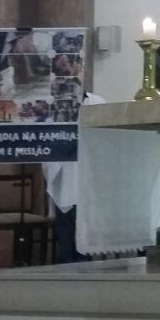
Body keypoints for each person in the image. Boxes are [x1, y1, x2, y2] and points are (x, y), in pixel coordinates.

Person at [42, 91, 105, 263]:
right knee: (65, 227)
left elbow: (104, 137)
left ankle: (83, 264)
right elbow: (47, 137)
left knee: (84, 228)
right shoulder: (53, 103)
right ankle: (66, 265)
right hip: (64, 174)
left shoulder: (96, 102)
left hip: (89, 175)